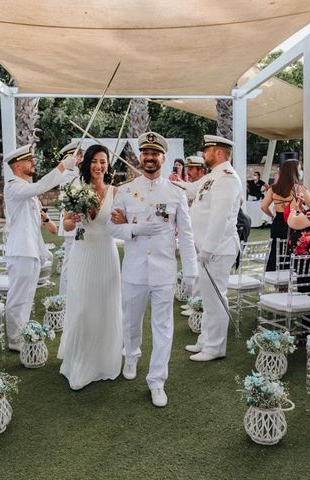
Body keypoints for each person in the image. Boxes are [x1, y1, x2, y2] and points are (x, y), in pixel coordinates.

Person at [107, 131, 198, 407]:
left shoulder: (175, 193)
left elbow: (187, 234)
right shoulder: (124, 191)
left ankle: (157, 380)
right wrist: (135, 228)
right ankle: (131, 356)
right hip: (134, 269)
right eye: (145, 153)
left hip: (163, 270)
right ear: (140, 156)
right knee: (131, 321)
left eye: (155, 153)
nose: (149, 158)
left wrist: (191, 270)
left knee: (164, 328)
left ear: (163, 158)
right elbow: (112, 228)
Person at [58, 144, 123, 390]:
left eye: (103, 161)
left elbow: (122, 224)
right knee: (83, 308)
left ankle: (103, 361)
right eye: (94, 161)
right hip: (83, 253)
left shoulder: (116, 192)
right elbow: (65, 225)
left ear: (108, 165)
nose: (99, 166)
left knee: (106, 307)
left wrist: (123, 220)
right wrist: (70, 220)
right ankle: (81, 363)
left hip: (106, 254)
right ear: (87, 163)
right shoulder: (76, 189)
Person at [3, 143, 75, 351]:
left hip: (30, 250)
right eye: (29, 160)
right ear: (17, 165)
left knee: (26, 297)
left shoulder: (25, 187)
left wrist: (68, 169)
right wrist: (62, 166)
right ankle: (15, 338)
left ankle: (22, 332)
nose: (33, 163)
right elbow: (41, 186)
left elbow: (43, 187)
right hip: (21, 250)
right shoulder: (14, 186)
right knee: (18, 297)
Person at [183, 135, 242, 362]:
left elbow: (220, 217)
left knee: (216, 299)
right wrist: (163, 181)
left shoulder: (227, 178)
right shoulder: (213, 176)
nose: (203, 154)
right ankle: (206, 341)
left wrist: (207, 249)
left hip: (218, 249)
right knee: (208, 299)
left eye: (206, 150)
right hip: (208, 249)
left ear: (218, 153)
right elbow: (189, 189)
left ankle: (215, 347)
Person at [260, 159, 310, 271]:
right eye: (299, 168)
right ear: (294, 171)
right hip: (293, 222)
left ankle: (276, 276)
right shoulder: (298, 188)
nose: (300, 170)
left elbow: (263, 206)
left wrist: (272, 216)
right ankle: (290, 276)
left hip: (278, 222)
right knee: (292, 249)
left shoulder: (273, 188)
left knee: (276, 249)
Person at [56, 140, 84, 295]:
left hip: (74, 222)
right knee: (69, 262)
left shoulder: (75, 173)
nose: (82, 158)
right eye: (80, 155)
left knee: (73, 261)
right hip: (70, 221)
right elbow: (72, 198)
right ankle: (65, 296)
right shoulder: (69, 174)